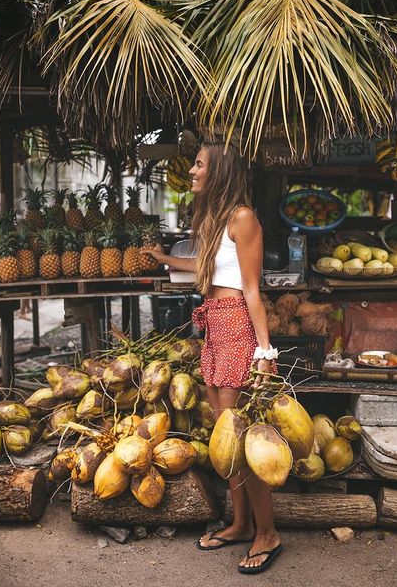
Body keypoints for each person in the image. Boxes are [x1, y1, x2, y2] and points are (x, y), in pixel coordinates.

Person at [147, 142, 281, 574]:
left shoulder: (243, 219)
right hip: (214, 331)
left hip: (239, 328)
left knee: (244, 440)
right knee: (226, 440)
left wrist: (265, 352)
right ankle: (241, 523)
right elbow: (205, 273)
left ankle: (268, 533)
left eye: (199, 164)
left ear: (219, 171)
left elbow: (252, 290)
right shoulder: (210, 218)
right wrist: (162, 258)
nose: (191, 170)